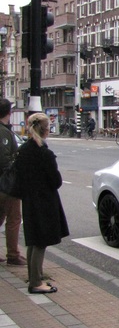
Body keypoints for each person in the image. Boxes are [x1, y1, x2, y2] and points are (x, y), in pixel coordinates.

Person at [14, 113, 69, 293]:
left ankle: (33, 276)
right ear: (45, 130)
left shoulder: (24, 150)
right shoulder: (44, 153)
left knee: (33, 239)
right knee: (41, 241)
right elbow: (56, 181)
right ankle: (36, 282)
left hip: (29, 199)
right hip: (44, 201)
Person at [0, 99, 27, 266]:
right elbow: (4, 160)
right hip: (6, 184)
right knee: (14, 218)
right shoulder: (4, 133)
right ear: (8, 113)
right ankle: (13, 254)